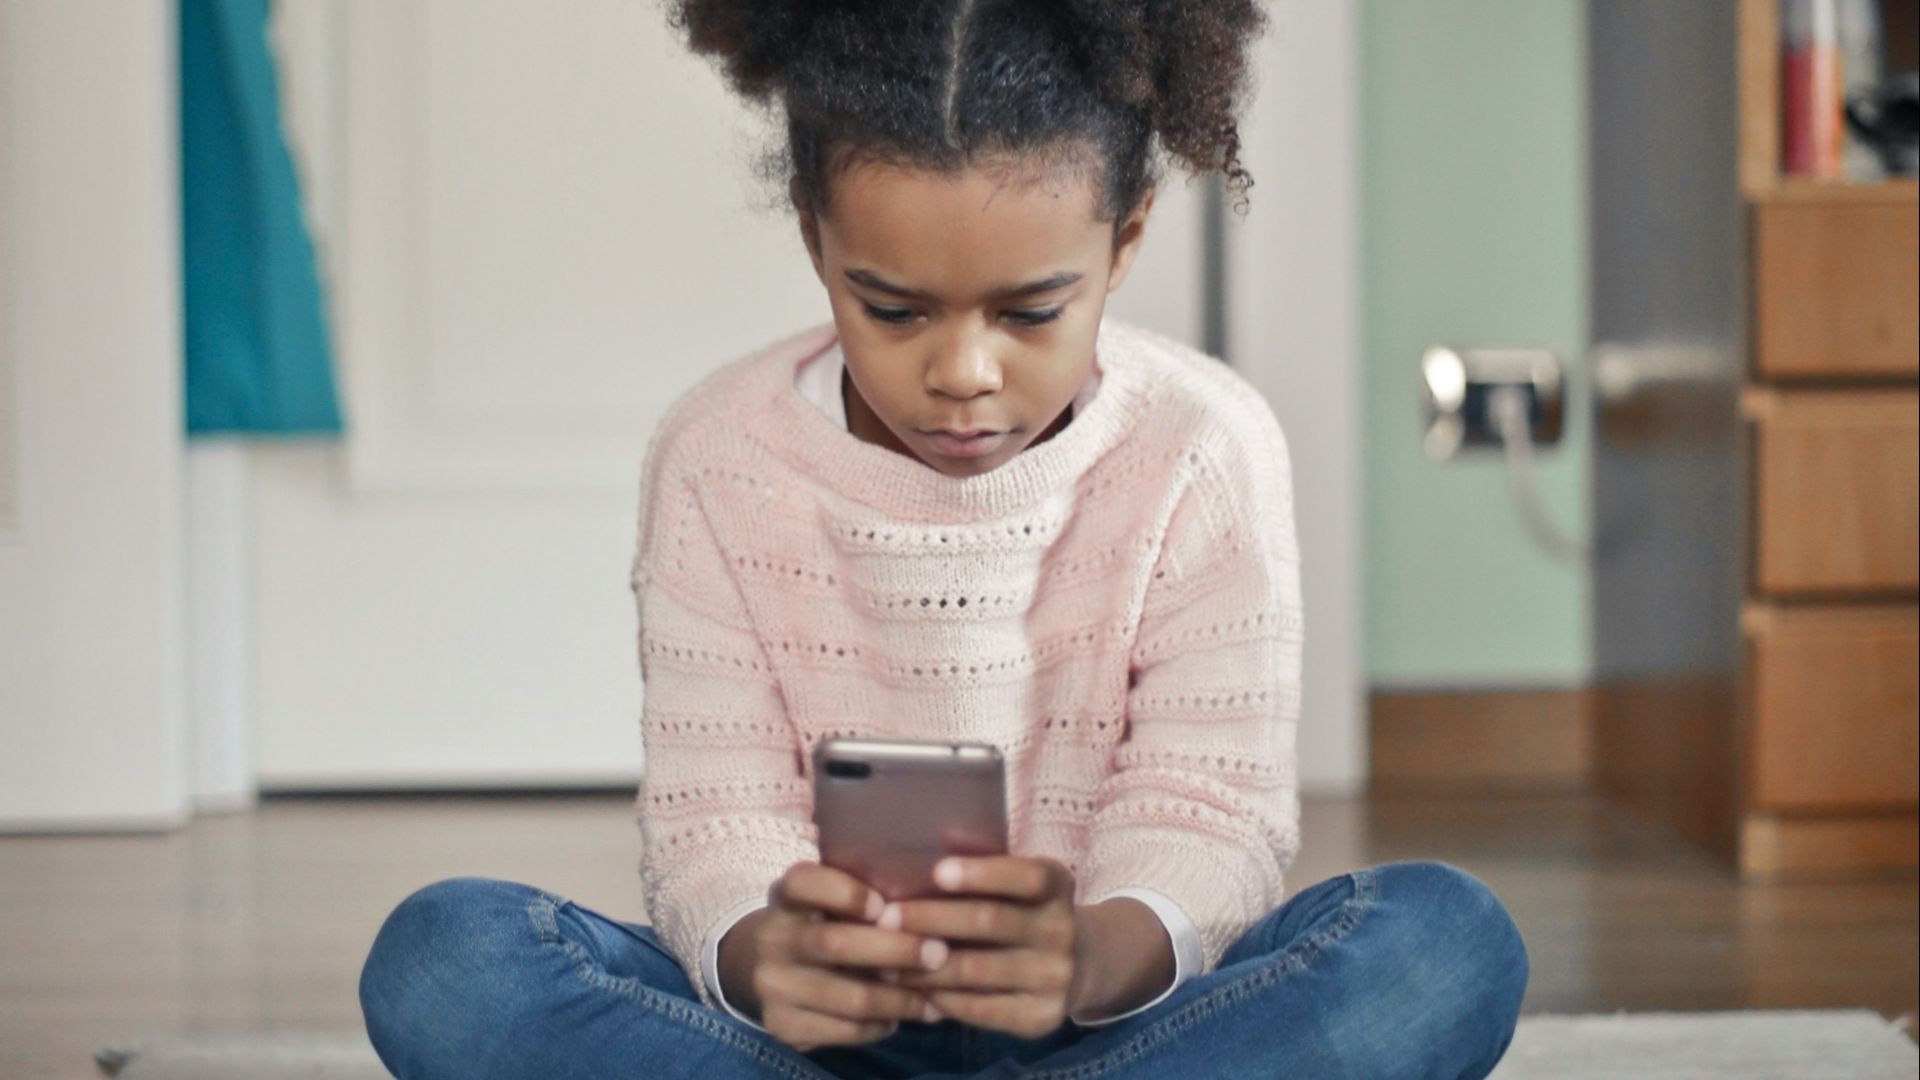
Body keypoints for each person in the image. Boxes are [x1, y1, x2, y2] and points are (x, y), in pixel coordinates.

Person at [357, 1, 1530, 1076]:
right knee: (446, 959)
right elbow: (710, 821)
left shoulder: (1205, 448)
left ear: (1125, 241)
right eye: (894, 309)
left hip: (1111, 1025)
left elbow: (1209, 813)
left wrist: (1082, 958)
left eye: (1030, 313)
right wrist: (771, 958)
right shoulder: (719, 457)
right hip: (811, 1047)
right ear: (816, 238)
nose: (963, 375)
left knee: (1443, 945)